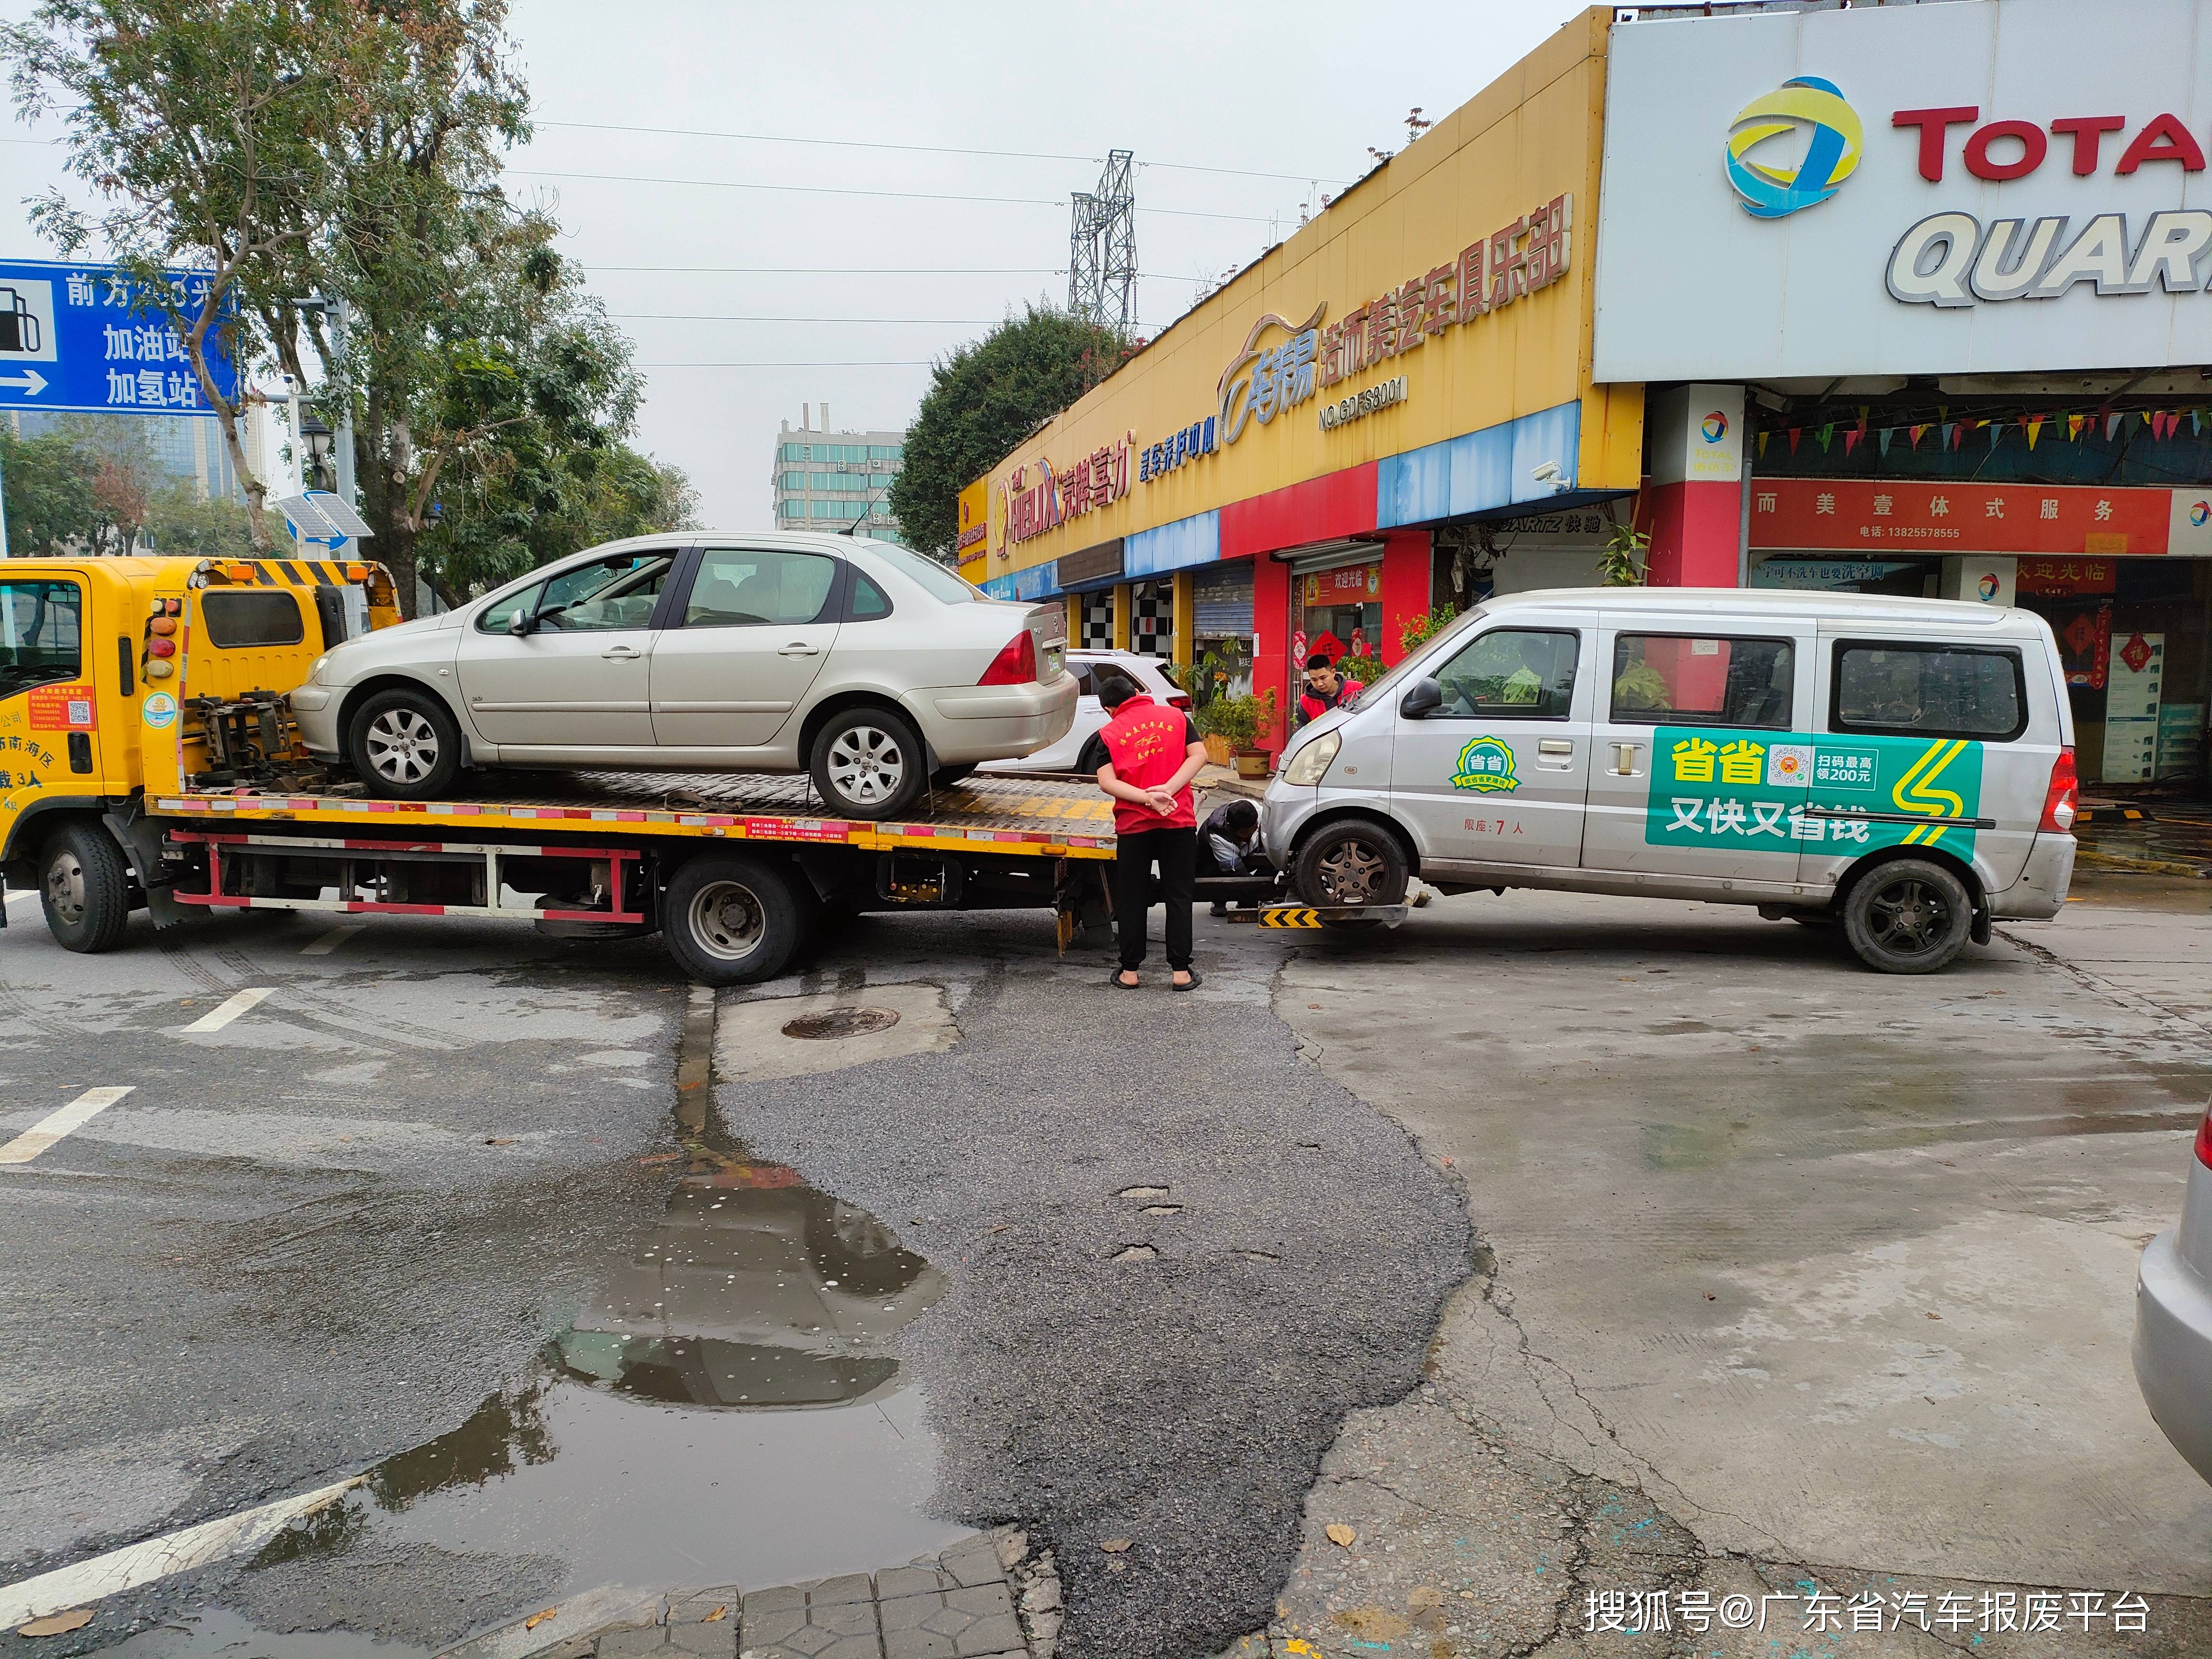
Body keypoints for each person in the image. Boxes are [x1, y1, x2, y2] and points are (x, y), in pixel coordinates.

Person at [1093, 669, 1208, 992]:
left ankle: (1130, 972)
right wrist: (1169, 791)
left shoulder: (1109, 733)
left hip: (1134, 827)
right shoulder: (1176, 717)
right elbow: (1200, 755)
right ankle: (1181, 973)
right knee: (1179, 896)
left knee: (1131, 897)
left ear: (1109, 708)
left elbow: (1107, 782)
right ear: (1137, 692)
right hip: (1179, 821)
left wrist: (1146, 798)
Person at [1199, 797, 1267, 918]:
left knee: (1273, 857)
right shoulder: (1217, 831)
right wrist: (1257, 891)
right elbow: (1235, 869)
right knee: (1225, 871)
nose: (1249, 836)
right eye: (1245, 834)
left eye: (1254, 829)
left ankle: (1249, 899)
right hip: (1215, 864)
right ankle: (1220, 898)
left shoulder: (1258, 812)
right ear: (1233, 830)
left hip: (1248, 854)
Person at [1296, 652, 1363, 728]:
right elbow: (1303, 732)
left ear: (1333, 672)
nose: (1320, 684)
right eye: (1314, 680)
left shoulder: (1357, 689)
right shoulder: (1306, 702)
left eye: (1323, 678)